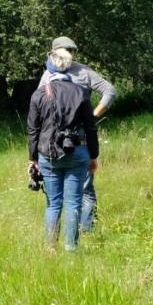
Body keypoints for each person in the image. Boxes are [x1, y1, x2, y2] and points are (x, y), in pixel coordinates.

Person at [38, 36, 116, 232]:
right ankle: (70, 237)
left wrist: (94, 115)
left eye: (72, 51)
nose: (70, 54)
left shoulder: (82, 71)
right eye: (66, 50)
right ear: (53, 52)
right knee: (58, 197)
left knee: (85, 189)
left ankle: (86, 231)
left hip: (80, 139)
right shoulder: (47, 74)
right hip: (55, 142)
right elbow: (39, 105)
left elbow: (110, 91)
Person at [27, 47, 99, 251]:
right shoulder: (82, 93)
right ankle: (71, 249)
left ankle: (50, 248)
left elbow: (33, 130)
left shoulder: (39, 94)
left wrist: (32, 159)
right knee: (74, 203)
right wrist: (93, 156)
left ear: (50, 67)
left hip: (48, 156)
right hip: (78, 154)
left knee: (53, 204)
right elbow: (90, 127)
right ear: (68, 68)